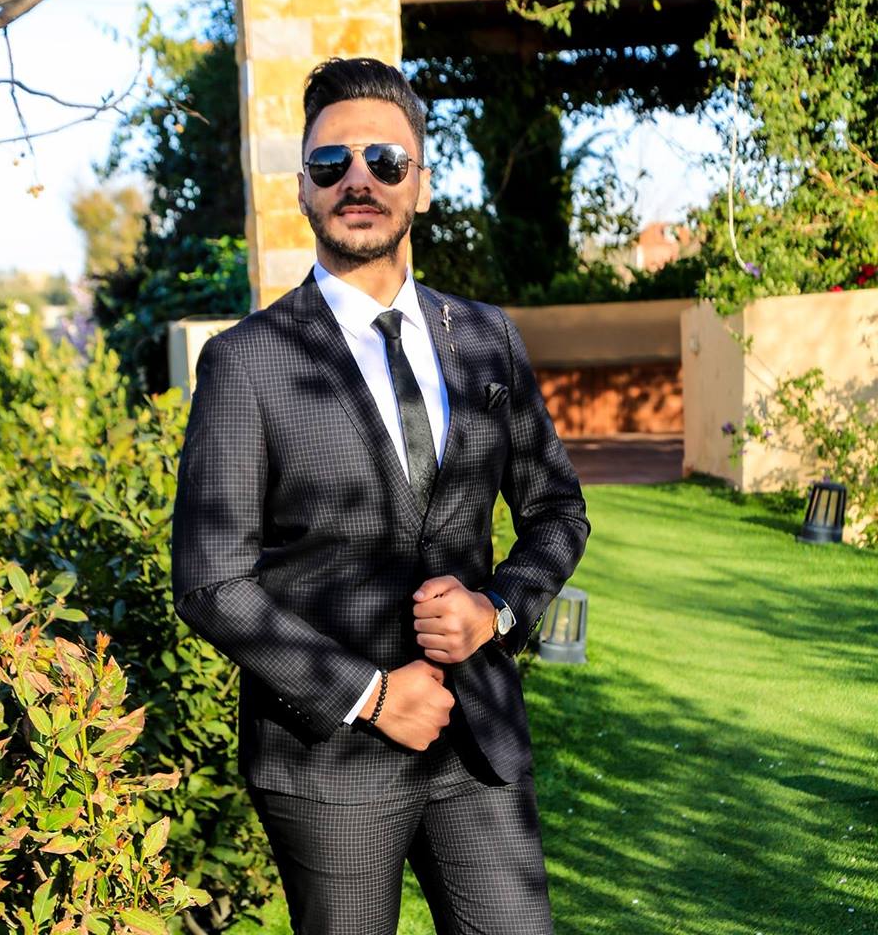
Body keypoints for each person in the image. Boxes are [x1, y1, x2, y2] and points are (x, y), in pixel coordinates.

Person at [171, 56, 590, 935]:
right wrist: (369, 694)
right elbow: (212, 581)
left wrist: (497, 612)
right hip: (329, 760)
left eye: (385, 161)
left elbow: (557, 510)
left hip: (479, 739)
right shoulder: (248, 363)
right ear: (303, 189)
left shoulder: (487, 338)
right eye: (332, 163)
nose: (357, 180)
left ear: (420, 186)